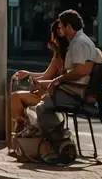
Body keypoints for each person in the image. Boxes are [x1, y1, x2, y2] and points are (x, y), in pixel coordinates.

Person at [34, 9, 98, 151]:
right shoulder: (84, 40)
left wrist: (57, 80)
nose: (60, 29)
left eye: (62, 26)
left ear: (69, 27)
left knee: (41, 108)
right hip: (77, 90)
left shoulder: (78, 44)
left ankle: (61, 141)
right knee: (44, 100)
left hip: (75, 93)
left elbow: (79, 70)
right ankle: (59, 140)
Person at [9, 20, 67, 154]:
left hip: (53, 93)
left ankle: (22, 133)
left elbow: (54, 79)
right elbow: (47, 74)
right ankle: (21, 133)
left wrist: (38, 83)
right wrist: (30, 76)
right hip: (47, 90)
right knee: (16, 97)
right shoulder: (57, 54)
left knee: (17, 97)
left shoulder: (64, 55)